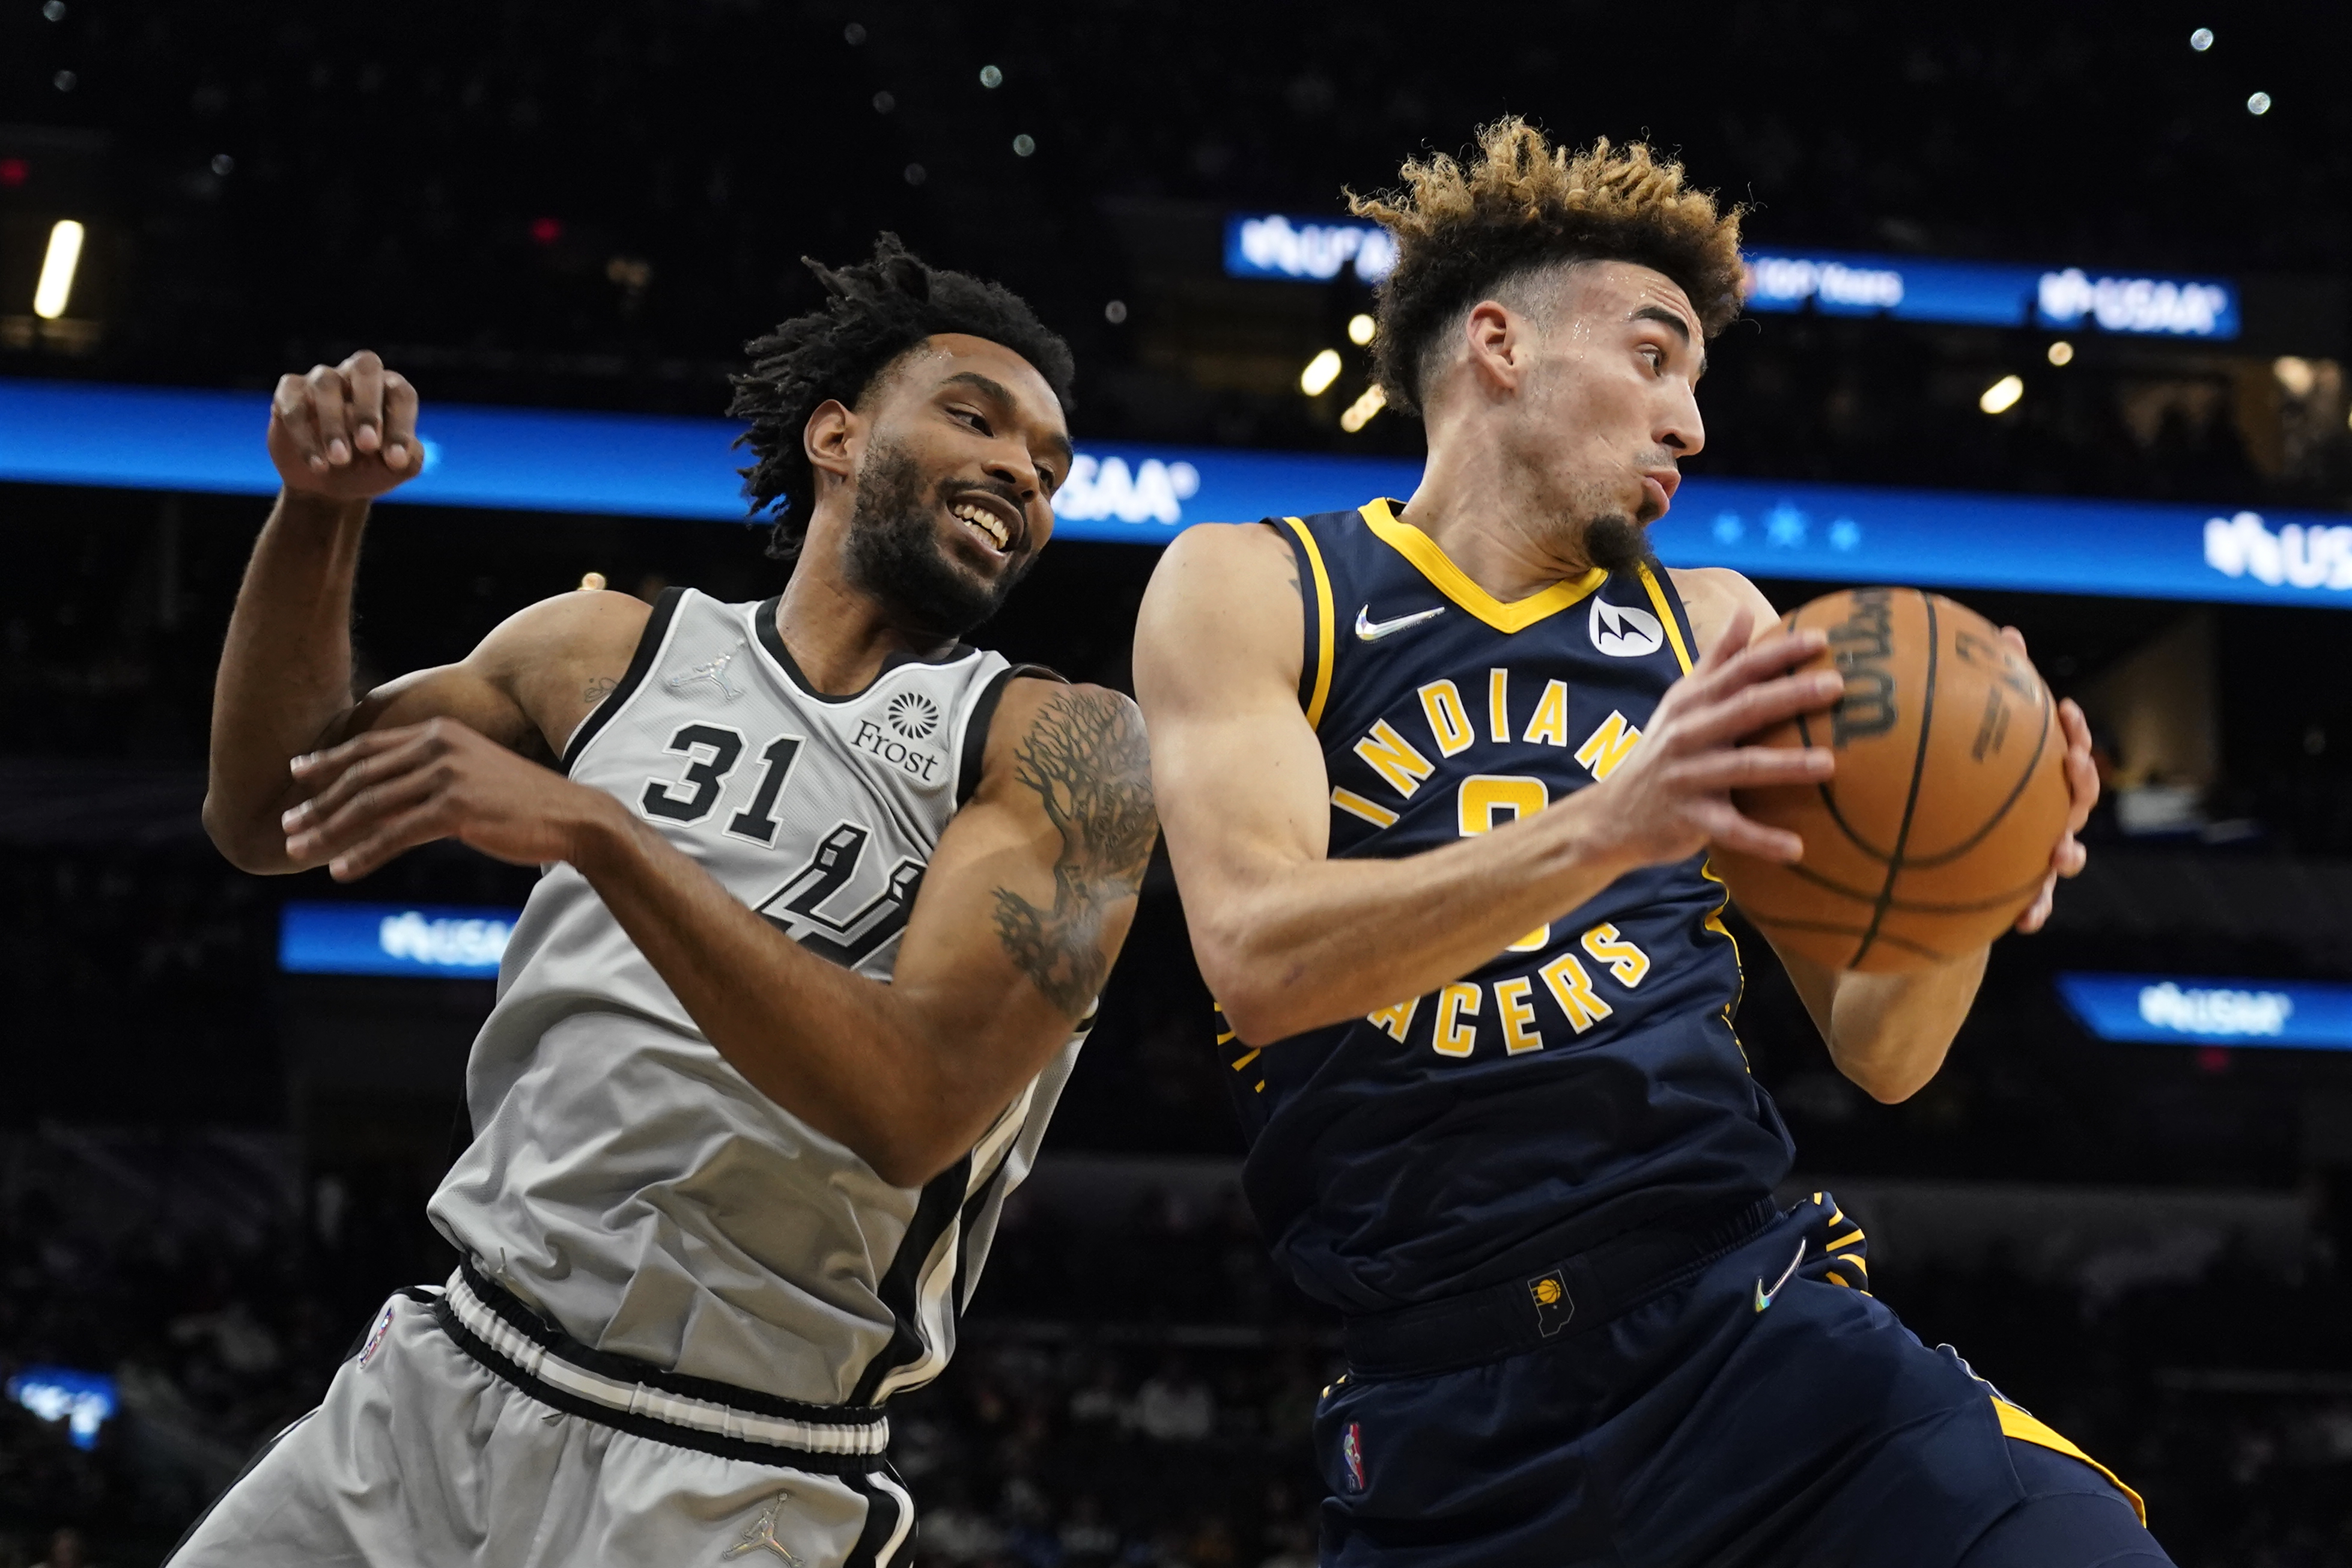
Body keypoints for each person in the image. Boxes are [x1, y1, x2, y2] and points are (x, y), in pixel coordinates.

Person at [1132, 122, 2165, 1567]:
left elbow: (1882, 1052)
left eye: (1694, 381)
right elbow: (1255, 958)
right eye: (1652, 357)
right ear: (1498, 343)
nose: (1688, 422)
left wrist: (1965, 899)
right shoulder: (1259, 585)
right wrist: (1610, 824)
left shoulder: (1720, 628)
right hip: (1443, 1410)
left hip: (1747, 1332)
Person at [181, 237, 1156, 1567]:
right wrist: (317, 516)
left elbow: (915, 1106)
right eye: (974, 419)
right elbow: (265, 816)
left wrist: (604, 834)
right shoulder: (599, 651)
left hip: (735, 1462)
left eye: (1047, 467)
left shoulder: (1061, 746)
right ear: (835, 433)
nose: (1019, 473)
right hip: (441, 1376)